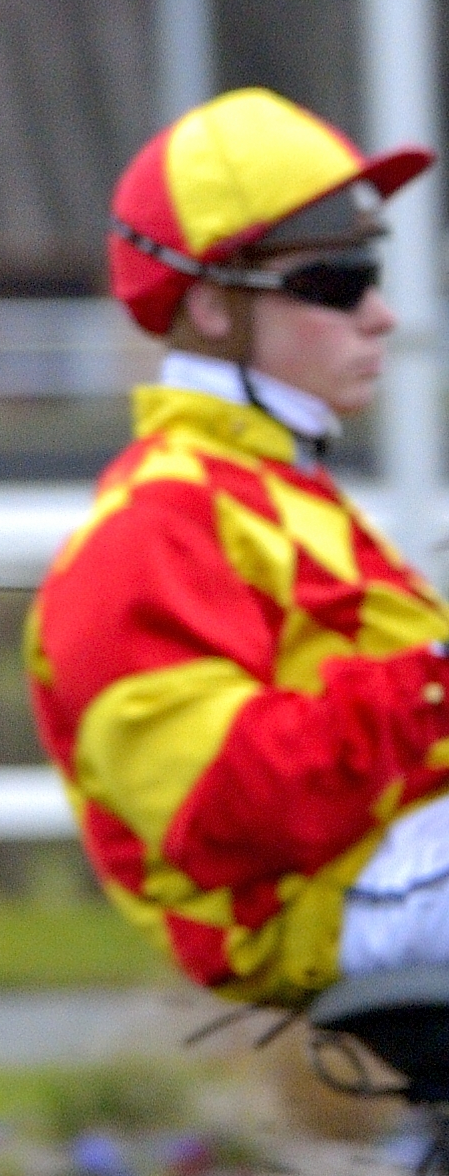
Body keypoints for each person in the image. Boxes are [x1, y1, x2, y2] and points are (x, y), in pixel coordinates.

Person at [30, 88, 449, 1002]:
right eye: (336, 282)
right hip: (314, 906)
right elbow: (225, 809)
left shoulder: (279, 494)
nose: (379, 315)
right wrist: (432, 682)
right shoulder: (151, 529)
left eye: (370, 274)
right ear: (215, 307)